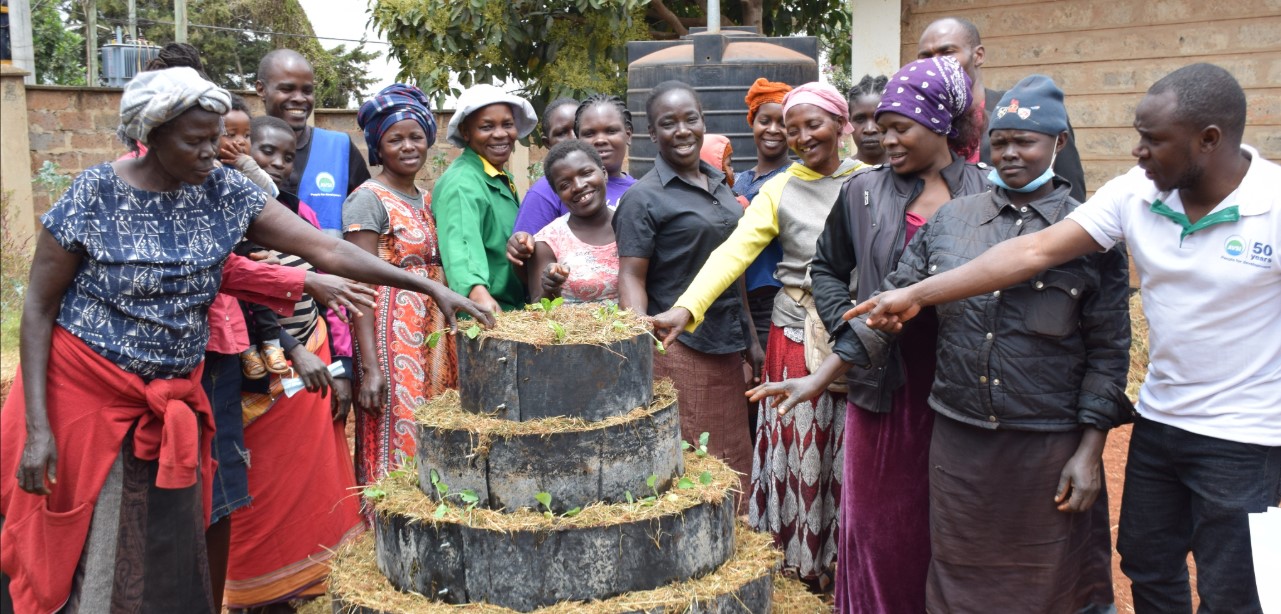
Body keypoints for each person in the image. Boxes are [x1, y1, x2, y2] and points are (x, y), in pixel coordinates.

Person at [0, 67, 492, 614]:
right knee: (87, 543)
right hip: (85, 396)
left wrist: (427, 286)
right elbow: (39, 308)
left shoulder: (222, 191)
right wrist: (38, 428)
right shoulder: (95, 194)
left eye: (216, 138)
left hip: (170, 397)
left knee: (162, 551)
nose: (213, 152)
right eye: (196, 140)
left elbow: (325, 249)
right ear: (152, 133)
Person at [852, 63, 1281, 614]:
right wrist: (918, 294)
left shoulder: (1272, 204)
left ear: (1209, 140)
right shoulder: (1134, 195)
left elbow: (1104, 338)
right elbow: (1031, 253)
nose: (1137, 153)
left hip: (1247, 438)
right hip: (1163, 419)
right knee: (1148, 564)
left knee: (1234, 588)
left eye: (1152, 141)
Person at [769, 75, 1128, 611]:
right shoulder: (952, 220)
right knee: (958, 581)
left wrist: (1089, 450)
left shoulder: (1088, 232)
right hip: (959, 443)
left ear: (1060, 144)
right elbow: (889, 304)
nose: (1010, 154)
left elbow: (1109, 352)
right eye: (1000, 141)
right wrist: (819, 377)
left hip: (1046, 441)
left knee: (1051, 585)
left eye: (1025, 142)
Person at [752, 56, 987, 613]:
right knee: (880, 531)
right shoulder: (863, 193)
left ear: (941, 125)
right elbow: (828, 269)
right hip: (882, 384)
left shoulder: (985, 192)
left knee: (956, 530)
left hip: (963, 389)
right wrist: (845, 326)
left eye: (900, 128)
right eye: (880, 128)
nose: (884, 140)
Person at [652, 82, 864, 591]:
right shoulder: (780, 188)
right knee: (802, 450)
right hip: (796, 336)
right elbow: (733, 253)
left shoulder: (869, 181)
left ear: (841, 124)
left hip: (861, 335)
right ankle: (802, 569)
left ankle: (852, 567)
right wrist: (688, 307)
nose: (802, 137)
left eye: (813, 125)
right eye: (793, 130)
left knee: (855, 452)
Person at [223, 115, 366, 611]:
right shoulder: (229, 216)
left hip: (318, 352)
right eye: (265, 152)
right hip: (268, 367)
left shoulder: (294, 211)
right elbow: (247, 293)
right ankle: (257, 591)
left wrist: (340, 364)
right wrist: (292, 347)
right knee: (264, 483)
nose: (279, 164)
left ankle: (310, 581)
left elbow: (329, 290)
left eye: (288, 157)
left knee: (315, 476)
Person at [614, 80, 759, 505]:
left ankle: (736, 550)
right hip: (681, 348)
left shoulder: (720, 185)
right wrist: (641, 333)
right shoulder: (644, 198)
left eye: (690, 119)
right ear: (651, 133)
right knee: (699, 464)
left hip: (726, 345)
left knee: (733, 458)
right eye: (668, 123)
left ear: (703, 122)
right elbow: (631, 276)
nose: (682, 130)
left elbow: (733, 267)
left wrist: (749, 338)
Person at [343, 84, 455, 485]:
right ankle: (387, 519)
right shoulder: (367, 199)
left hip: (432, 335)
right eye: (395, 139)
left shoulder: (427, 198)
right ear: (378, 146)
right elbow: (359, 283)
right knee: (397, 422)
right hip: (389, 337)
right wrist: (371, 366)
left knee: (433, 422)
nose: (408, 146)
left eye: (416, 136)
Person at [917, 16, 1088, 201]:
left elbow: (1071, 196)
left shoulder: (1028, 112)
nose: (935, 64)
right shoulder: (919, 124)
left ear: (978, 55)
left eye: (947, 52)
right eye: (925, 56)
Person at [434, 84, 538, 313]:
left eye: (507, 124)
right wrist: (477, 292)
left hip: (513, 311)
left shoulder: (498, 176)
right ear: (466, 132)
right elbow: (460, 242)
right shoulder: (462, 183)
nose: (501, 134)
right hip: (485, 313)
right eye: (487, 126)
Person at [256, 48, 371, 235]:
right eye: (287, 89)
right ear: (261, 89)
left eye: (307, 91)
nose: (300, 99)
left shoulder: (340, 148)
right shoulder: (242, 148)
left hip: (332, 263)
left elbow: (366, 222)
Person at [512, 94, 638, 237]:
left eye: (611, 131)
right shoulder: (548, 190)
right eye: (589, 134)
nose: (600, 140)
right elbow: (525, 248)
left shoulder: (641, 191)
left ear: (628, 135)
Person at [529, 140, 619, 303]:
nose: (578, 186)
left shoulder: (629, 225)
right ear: (557, 194)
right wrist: (551, 288)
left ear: (604, 174)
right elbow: (538, 310)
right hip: (572, 329)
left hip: (630, 327)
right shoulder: (548, 241)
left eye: (586, 173)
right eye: (565, 184)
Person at [846, 75, 888, 166]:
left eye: (878, 117)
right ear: (849, 122)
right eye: (860, 119)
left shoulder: (910, 174)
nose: (870, 129)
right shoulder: (841, 175)